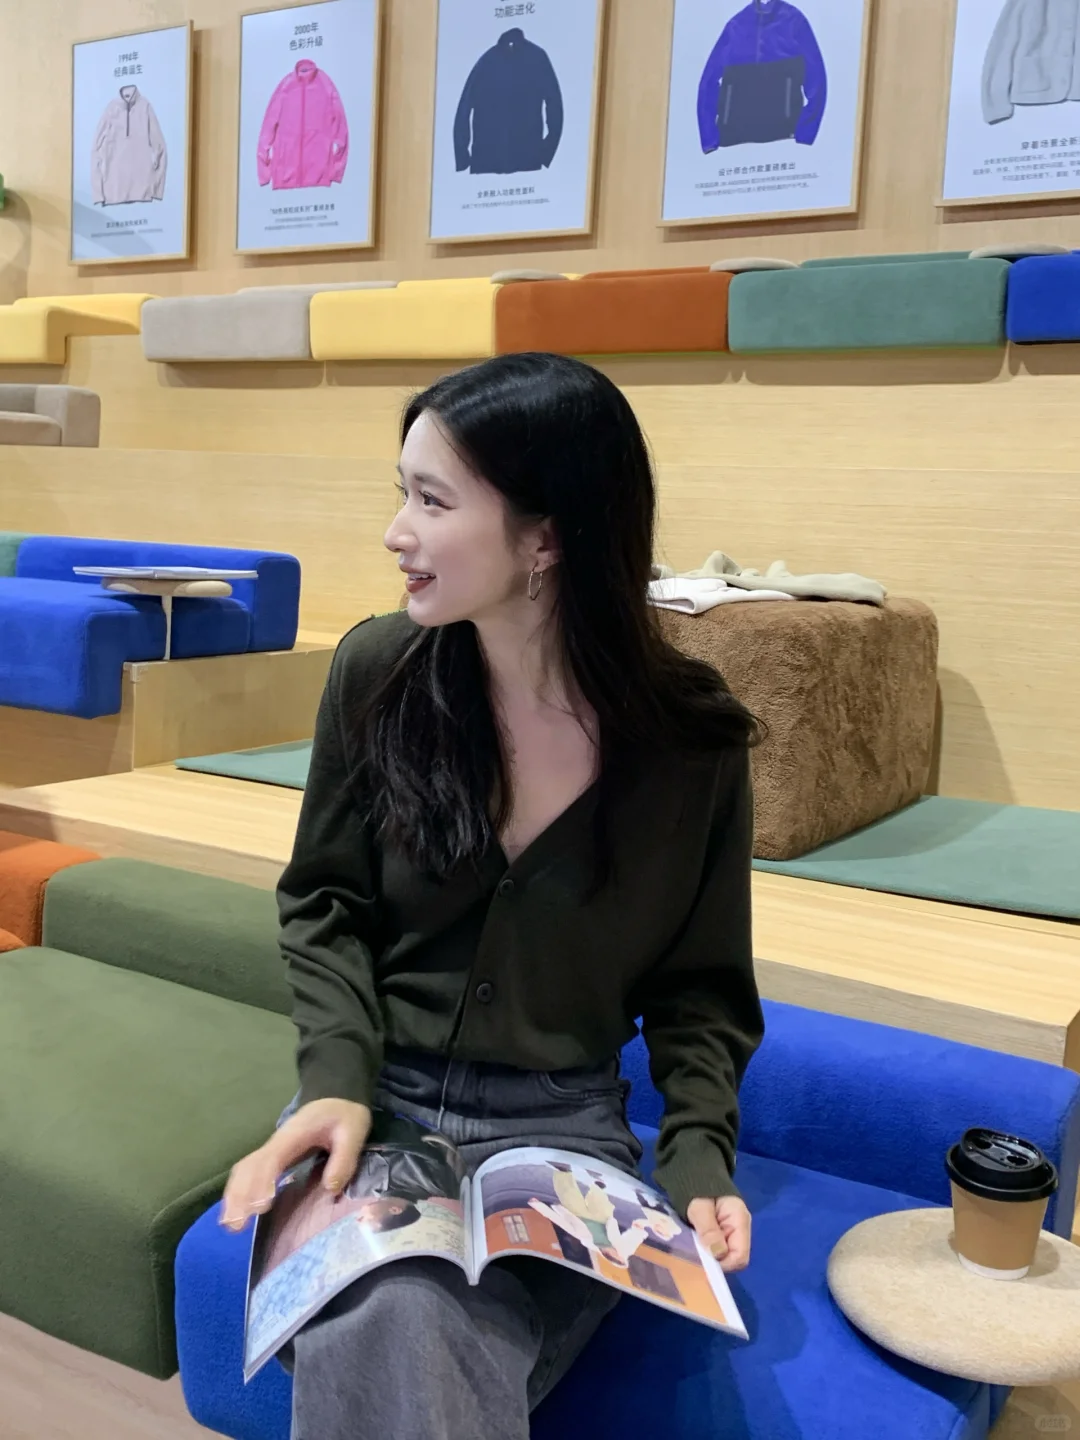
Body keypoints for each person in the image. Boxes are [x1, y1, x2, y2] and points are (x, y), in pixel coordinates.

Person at [221, 351, 766, 1440]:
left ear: (545, 538)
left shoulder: (690, 739)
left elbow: (702, 984)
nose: (396, 532)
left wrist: (698, 1148)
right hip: (381, 1099)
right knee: (397, 1313)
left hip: (564, 1135)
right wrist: (335, 1077)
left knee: (406, 1335)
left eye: (432, 501)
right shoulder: (376, 673)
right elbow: (323, 903)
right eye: (402, 493)